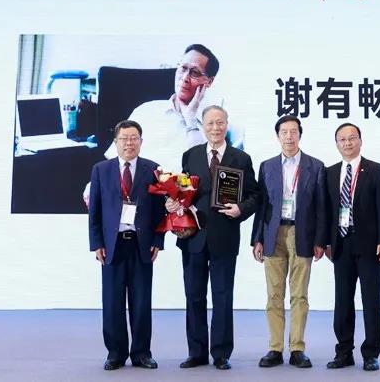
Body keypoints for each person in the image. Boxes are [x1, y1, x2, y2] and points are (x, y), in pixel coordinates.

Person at [84, 43, 243, 205]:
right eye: (182, 68)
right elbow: (116, 162)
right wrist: (96, 184)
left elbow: (213, 184)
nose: (185, 78)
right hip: (135, 204)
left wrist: (190, 121)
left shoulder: (219, 128)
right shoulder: (145, 111)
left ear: (209, 81)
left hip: (184, 211)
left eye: (194, 72)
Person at [166, 105, 260, 370]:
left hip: (225, 236)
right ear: (203, 126)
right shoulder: (191, 155)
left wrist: (240, 209)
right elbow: (183, 192)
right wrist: (173, 203)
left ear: (226, 125)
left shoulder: (241, 158)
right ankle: (196, 352)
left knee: (222, 296)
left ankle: (221, 353)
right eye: (210, 123)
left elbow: (255, 195)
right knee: (193, 295)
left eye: (220, 123)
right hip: (193, 236)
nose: (215, 128)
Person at [250, 115, 327, 368]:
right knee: (274, 294)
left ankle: (297, 348)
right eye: (284, 132)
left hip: (302, 234)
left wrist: (320, 240)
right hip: (273, 234)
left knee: (299, 294)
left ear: (300, 135)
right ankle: (275, 348)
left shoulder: (316, 166)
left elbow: (321, 207)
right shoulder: (267, 166)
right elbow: (262, 206)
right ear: (278, 136)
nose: (289, 136)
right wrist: (257, 239)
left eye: (294, 131)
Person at [88, 120, 165, 370]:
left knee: (141, 302)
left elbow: (160, 211)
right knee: (112, 303)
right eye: (124, 138)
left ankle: (141, 353)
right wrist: (97, 243)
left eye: (134, 138)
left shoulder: (153, 169)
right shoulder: (101, 170)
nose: (129, 143)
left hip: (142, 245)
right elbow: (95, 211)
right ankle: (115, 353)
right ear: (116, 142)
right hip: (113, 245)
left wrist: (158, 240)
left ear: (141, 141)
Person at [324, 123, 380, 372]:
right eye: (342, 139)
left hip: (370, 246)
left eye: (352, 138)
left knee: (371, 300)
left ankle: (371, 354)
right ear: (337, 144)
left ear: (360, 141)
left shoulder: (376, 170)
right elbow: (326, 211)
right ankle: (344, 352)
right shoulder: (330, 173)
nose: (347, 143)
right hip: (340, 245)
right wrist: (326, 241)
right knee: (342, 300)